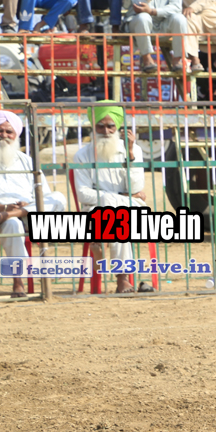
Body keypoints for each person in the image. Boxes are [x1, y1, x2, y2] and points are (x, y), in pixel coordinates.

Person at [72, 102, 152, 294]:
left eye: (110, 126)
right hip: (97, 208)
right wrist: (119, 197)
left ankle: (102, 244)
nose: (106, 131)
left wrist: (130, 155)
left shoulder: (133, 150)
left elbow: (136, 188)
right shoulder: (82, 155)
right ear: (93, 127)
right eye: (100, 126)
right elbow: (83, 194)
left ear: (118, 127)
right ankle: (122, 279)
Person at [0, 109, 65, 297]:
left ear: (16, 135)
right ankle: (18, 282)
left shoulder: (27, 161)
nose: (4, 135)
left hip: (28, 213)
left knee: (58, 197)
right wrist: (3, 208)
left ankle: (10, 215)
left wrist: (27, 205)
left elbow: (44, 194)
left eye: (9, 132)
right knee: (12, 224)